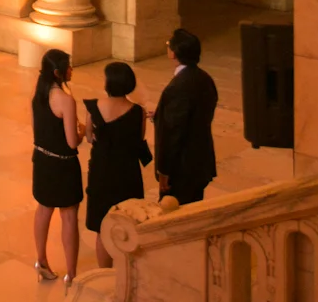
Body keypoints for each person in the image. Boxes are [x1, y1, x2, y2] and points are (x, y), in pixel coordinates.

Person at [85, 62, 150, 267]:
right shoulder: (138, 112)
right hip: (127, 174)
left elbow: (89, 137)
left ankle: (104, 274)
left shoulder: (93, 108)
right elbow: (139, 139)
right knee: (127, 224)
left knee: (101, 228)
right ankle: (126, 273)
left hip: (101, 172)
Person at [31, 48, 83, 285]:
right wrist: (83, 132)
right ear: (57, 72)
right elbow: (72, 142)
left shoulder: (38, 96)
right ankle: (71, 274)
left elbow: (37, 130)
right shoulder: (66, 100)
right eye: (67, 66)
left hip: (42, 159)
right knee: (69, 216)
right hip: (63, 164)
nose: (71, 70)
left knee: (44, 209)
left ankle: (41, 260)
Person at [154, 28, 219, 205]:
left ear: (174, 53)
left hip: (182, 168)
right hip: (200, 161)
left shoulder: (178, 87)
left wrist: (164, 171)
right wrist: (160, 114)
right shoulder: (205, 78)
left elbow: (172, 134)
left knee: (174, 212)